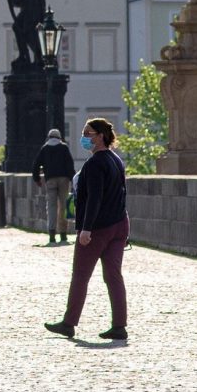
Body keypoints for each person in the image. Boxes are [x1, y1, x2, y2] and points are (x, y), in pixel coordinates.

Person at [46, 118, 127, 341]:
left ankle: (69, 323)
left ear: (101, 135)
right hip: (119, 224)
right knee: (113, 276)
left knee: (80, 276)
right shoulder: (116, 160)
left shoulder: (94, 164)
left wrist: (86, 229)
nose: (84, 137)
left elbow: (94, 199)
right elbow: (122, 193)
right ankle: (119, 325)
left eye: (88, 133)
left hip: (98, 228)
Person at [31, 128, 76, 246]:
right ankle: (63, 235)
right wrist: (73, 180)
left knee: (51, 206)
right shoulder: (64, 147)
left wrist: (37, 179)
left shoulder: (45, 148)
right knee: (63, 206)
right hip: (64, 180)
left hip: (50, 179)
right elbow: (70, 165)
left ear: (49, 137)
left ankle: (52, 235)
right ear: (59, 137)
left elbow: (36, 164)